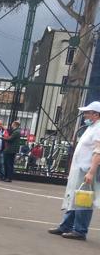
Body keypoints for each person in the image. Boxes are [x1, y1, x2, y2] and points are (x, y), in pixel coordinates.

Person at [48, 102, 100, 240]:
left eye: (87, 112)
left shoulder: (98, 128)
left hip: (86, 169)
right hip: (80, 169)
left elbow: (98, 152)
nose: (85, 115)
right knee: (74, 197)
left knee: (83, 200)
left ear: (96, 114)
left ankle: (80, 230)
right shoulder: (92, 127)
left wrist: (91, 172)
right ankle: (66, 226)